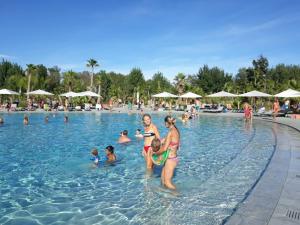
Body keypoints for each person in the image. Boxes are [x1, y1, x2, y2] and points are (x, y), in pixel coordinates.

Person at [152, 116, 180, 190]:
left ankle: (178, 196)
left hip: (171, 159)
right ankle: (165, 200)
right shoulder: (175, 130)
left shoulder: (171, 132)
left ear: (167, 123)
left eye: (165, 123)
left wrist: (155, 153)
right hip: (171, 158)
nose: (164, 124)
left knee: (167, 182)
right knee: (163, 180)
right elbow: (166, 140)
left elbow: (164, 149)